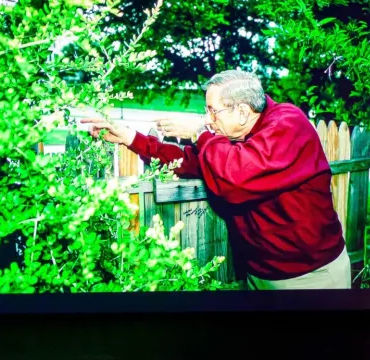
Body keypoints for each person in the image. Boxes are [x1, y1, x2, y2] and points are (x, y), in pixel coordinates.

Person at [81, 69, 350, 290]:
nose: (208, 120)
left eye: (213, 111)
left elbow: (235, 180)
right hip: (261, 274)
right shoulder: (235, 137)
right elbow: (189, 162)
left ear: (243, 112)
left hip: (310, 276)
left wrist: (200, 134)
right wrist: (130, 138)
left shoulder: (288, 125)